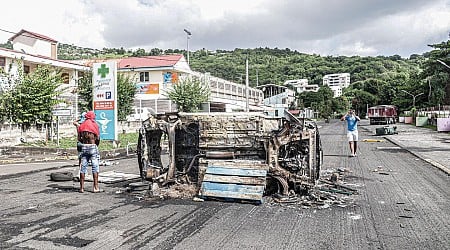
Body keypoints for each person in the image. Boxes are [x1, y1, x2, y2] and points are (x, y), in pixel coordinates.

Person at [78, 111, 101, 193]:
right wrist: (95, 145)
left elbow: (79, 139)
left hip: (84, 147)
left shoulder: (82, 125)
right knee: (95, 167)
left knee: (83, 167)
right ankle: (95, 187)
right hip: (92, 147)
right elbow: (98, 138)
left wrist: (84, 142)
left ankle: (81, 188)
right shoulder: (95, 125)